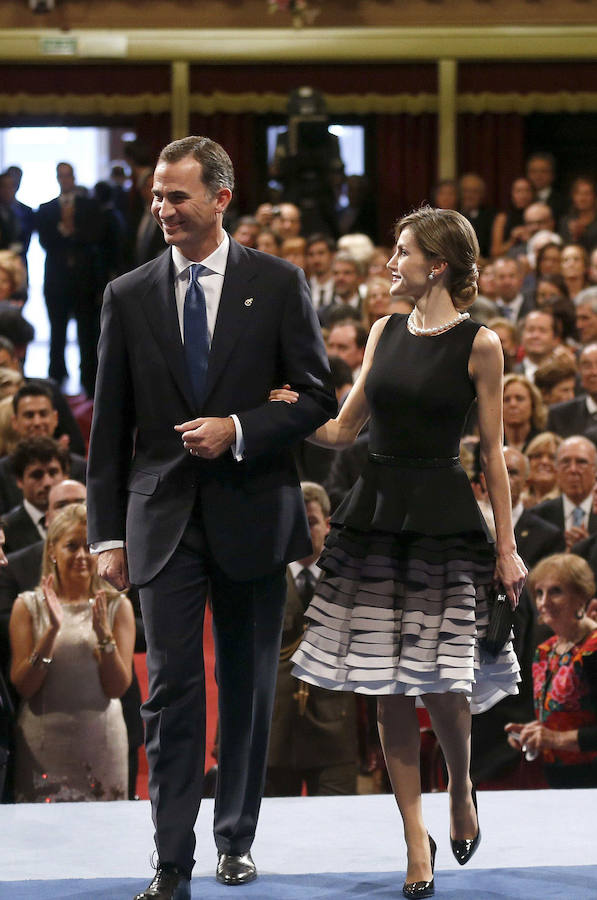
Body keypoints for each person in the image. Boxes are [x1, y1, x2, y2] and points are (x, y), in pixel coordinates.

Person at [86, 135, 336, 899]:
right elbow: (110, 430)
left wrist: (241, 427)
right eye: (156, 195)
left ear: (220, 199)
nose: (160, 208)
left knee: (248, 685)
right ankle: (170, 861)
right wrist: (104, 535)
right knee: (168, 691)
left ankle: (235, 842)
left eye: (176, 195)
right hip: (160, 516)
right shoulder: (127, 295)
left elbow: (317, 397)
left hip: (253, 511)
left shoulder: (278, 282)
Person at [275, 206, 526, 898]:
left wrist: (505, 548)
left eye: (402, 250)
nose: (391, 261)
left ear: (436, 264)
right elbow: (341, 430)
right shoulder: (382, 331)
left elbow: (494, 458)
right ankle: (415, 842)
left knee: (443, 681)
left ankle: (461, 785)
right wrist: (285, 406)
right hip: (376, 516)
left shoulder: (481, 344)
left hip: (442, 516)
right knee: (385, 685)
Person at [9, 503, 135, 801]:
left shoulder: (117, 606)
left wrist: (104, 638)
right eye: (71, 546)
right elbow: (25, 686)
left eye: (88, 547)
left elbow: (117, 687)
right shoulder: (27, 606)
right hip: (41, 744)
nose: (81, 556)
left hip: (101, 742)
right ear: (52, 551)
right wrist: (51, 632)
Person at [265, 482, 358, 797]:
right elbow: (238, 661)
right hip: (274, 734)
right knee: (273, 835)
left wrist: (373, 739)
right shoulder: (262, 581)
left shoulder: (351, 581)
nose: (303, 530)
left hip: (335, 733)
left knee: (338, 832)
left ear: (328, 525)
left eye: (312, 521)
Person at [506, 553, 597, 787]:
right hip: (556, 777)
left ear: (581, 597)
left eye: (556, 591)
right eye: (539, 593)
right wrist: (536, 733)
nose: (543, 602)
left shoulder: (592, 649)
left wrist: (556, 738)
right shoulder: (545, 650)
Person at [502, 373, 547, 452]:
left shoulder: (545, 444)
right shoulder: (487, 446)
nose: (513, 404)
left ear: (533, 404)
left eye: (519, 399)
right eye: (506, 399)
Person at [520, 431, 562, 509]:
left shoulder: (567, 503)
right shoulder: (516, 502)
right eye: (537, 456)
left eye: (552, 457)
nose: (544, 461)